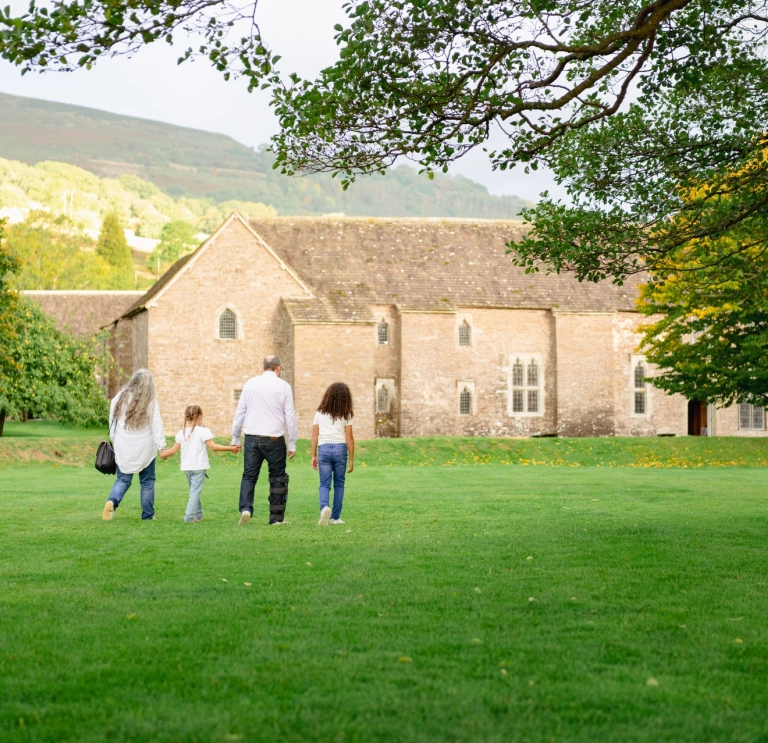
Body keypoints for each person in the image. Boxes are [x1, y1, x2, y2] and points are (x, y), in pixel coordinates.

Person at [231, 355, 298, 525]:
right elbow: (289, 416)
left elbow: (240, 411)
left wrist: (236, 437)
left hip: (252, 438)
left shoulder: (250, 384)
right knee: (277, 477)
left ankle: (246, 508)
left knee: (249, 475)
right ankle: (276, 518)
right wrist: (292, 442)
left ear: (264, 367)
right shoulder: (284, 386)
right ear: (278, 367)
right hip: (274, 438)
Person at [101, 368, 166, 521]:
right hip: (145, 448)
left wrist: (114, 438)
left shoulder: (119, 398)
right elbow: (157, 425)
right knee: (147, 482)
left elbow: (113, 420)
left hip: (124, 446)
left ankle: (112, 501)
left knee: (123, 480)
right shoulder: (150, 402)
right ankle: (147, 515)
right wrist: (162, 446)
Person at [159, 405, 240, 522]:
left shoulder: (181, 433)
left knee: (194, 491)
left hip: (187, 468)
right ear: (200, 417)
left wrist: (163, 454)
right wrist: (230, 448)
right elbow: (213, 446)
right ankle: (188, 518)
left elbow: (173, 450)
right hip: (199, 467)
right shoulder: (203, 431)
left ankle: (198, 515)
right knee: (195, 492)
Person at [311, 382, 354, 526]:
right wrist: (351, 460)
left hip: (323, 448)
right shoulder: (346, 414)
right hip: (340, 449)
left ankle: (324, 507)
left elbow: (315, 435)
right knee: (339, 485)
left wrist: (313, 455)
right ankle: (335, 517)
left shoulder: (319, 412)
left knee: (324, 483)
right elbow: (349, 438)